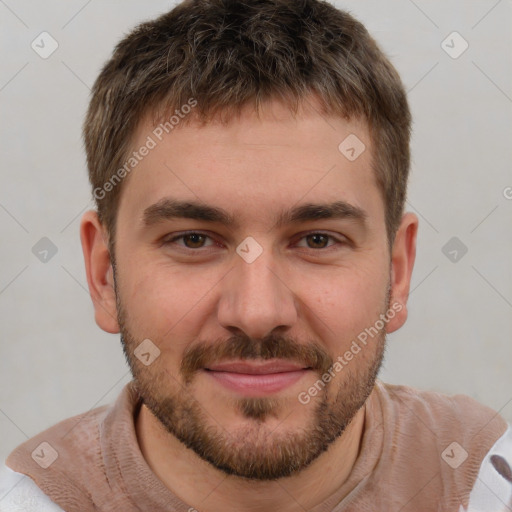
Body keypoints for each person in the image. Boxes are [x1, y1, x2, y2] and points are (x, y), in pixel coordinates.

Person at [1, 0, 511, 510]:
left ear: (398, 273)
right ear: (104, 275)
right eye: (193, 240)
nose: (257, 313)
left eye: (317, 240)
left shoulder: (485, 483)